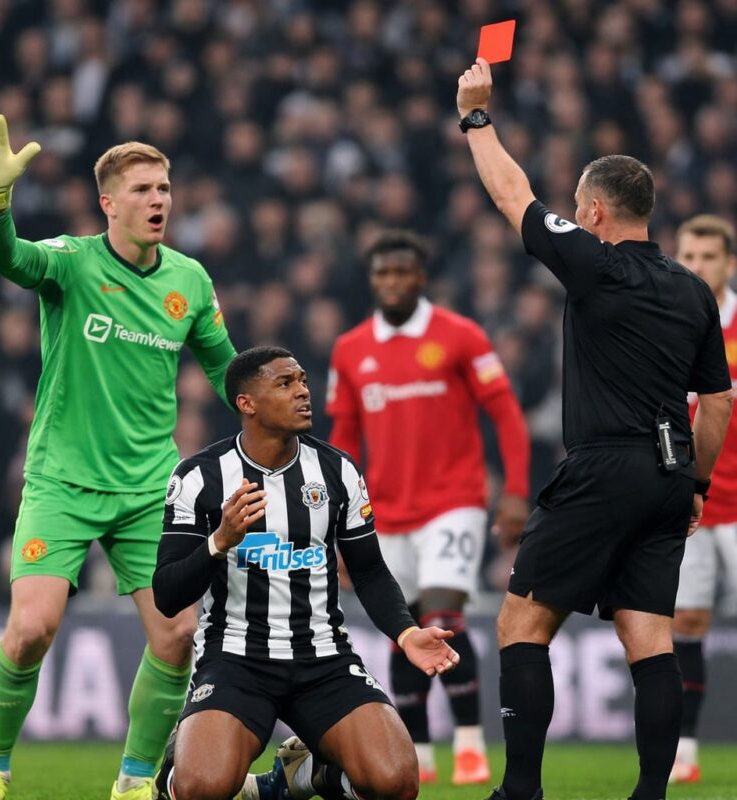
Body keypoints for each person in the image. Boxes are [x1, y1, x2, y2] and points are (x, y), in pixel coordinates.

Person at [455, 60, 733, 800]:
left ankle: (520, 789)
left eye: (580, 210)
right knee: (649, 638)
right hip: (671, 478)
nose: (575, 219)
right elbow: (720, 403)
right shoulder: (694, 291)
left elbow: (512, 194)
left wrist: (476, 117)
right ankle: (650, 794)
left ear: (598, 213)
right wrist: (698, 485)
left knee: (522, 622)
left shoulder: (595, 265)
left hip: (604, 467)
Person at [0, 115, 237, 800]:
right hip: (63, 480)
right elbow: (8, 259)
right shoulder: (74, 263)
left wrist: (284, 418)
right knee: (29, 629)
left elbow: (231, 376)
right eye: (142, 189)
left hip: (147, 489)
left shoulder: (190, 281)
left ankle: (135, 782)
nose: (159, 200)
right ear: (108, 203)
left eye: (165, 187)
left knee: (176, 636)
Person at [151, 345, 460, 800]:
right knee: (203, 788)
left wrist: (407, 633)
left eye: (302, 382)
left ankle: (308, 775)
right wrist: (220, 541)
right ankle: (176, 772)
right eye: (285, 383)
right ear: (247, 403)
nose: (302, 392)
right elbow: (167, 593)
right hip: (236, 660)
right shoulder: (200, 477)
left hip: (323, 660)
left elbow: (370, 573)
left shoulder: (337, 470)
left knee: (396, 783)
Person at [325, 229, 531, 785]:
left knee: (442, 614)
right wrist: (336, 523)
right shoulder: (349, 349)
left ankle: (467, 741)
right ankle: (417, 748)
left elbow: (506, 413)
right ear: (372, 281)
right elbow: (343, 436)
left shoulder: (460, 336)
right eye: (381, 274)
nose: (391, 282)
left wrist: (515, 490)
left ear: (421, 278)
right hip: (384, 512)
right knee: (405, 625)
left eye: (401, 273)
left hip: (452, 502)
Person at [670, 215, 737, 784]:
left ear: (729, 263)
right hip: (691, 503)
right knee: (687, 620)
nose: (698, 265)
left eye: (710, 256)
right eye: (689, 254)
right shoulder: (666, 321)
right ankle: (685, 751)